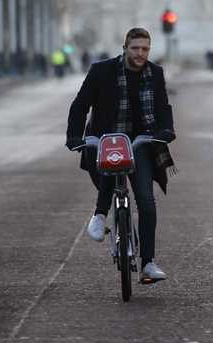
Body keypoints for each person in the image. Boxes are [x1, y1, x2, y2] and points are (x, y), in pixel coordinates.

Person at [66, 27, 177, 284]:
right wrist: (74, 137)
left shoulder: (155, 73)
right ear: (125, 47)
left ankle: (148, 262)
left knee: (147, 202)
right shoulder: (101, 71)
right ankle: (100, 215)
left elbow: (163, 107)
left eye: (145, 49)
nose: (140, 54)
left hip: (141, 144)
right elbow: (80, 105)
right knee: (110, 162)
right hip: (106, 141)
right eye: (135, 48)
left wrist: (166, 130)